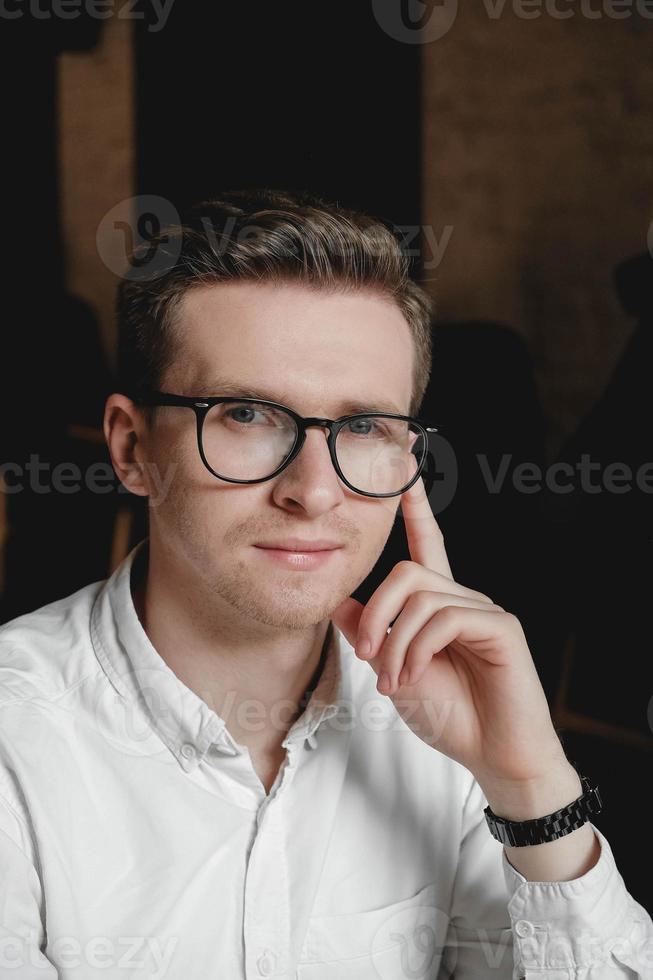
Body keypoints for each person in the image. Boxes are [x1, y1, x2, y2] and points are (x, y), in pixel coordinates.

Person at [0, 189, 650, 979]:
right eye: (245, 414)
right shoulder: (18, 736)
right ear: (133, 447)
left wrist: (531, 788)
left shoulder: (447, 725)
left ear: (409, 460)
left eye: (364, 427)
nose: (312, 491)